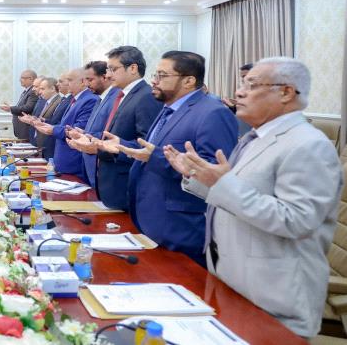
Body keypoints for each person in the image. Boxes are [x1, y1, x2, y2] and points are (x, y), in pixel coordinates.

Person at [165, 57, 342, 338]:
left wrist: (222, 183)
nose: (239, 92)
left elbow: (296, 220)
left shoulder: (309, 145)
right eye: (242, 84)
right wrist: (198, 178)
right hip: (233, 282)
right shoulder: (255, 138)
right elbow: (236, 195)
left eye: (251, 85)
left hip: (272, 296)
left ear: (286, 92)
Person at [114, 51, 237, 266]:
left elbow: (214, 171)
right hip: (152, 219)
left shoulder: (213, 113)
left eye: (162, 75)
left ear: (189, 81)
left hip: (182, 228)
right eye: (155, 75)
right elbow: (152, 150)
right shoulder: (168, 109)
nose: (154, 81)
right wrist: (120, 146)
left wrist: (154, 157)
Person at [70, 46, 162, 210]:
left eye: (113, 69)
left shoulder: (146, 96)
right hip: (110, 184)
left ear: (133, 68)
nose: (108, 75)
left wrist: (109, 147)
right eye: (108, 70)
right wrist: (93, 140)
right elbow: (116, 133)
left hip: (126, 184)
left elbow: (147, 145)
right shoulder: (124, 95)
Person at [32, 68, 98, 182]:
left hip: (74, 161)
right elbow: (64, 124)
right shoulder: (75, 99)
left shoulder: (89, 100)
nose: (67, 83)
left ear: (83, 82)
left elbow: (78, 130)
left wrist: (53, 130)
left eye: (70, 80)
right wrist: (48, 125)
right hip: (63, 160)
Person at [66, 61, 114, 190]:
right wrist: (83, 134)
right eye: (86, 80)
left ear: (104, 77)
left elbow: (111, 133)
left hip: (103, 166)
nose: (87, 84)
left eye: (90, 80)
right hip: (89, 164)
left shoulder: (114, 99)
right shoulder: (100, 98)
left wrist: (89, 136)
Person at [20, 77, 62, 159]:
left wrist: (36, 121)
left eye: (42, 89)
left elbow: (56, 123)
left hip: (51, 146)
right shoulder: (45, 101)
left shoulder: (59, 101)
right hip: (41, 144)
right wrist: (33, 119)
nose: (40, 91)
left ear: (52, 89)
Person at [0, 70, 39, 140]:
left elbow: (28, 108)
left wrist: (11, 109)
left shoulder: (33, 92)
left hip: (26, 129)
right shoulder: (26, 91)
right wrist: (10, 108)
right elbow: (21, 107)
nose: (20, 80)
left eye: (22, 78)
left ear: (31, 79)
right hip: (21, 129)